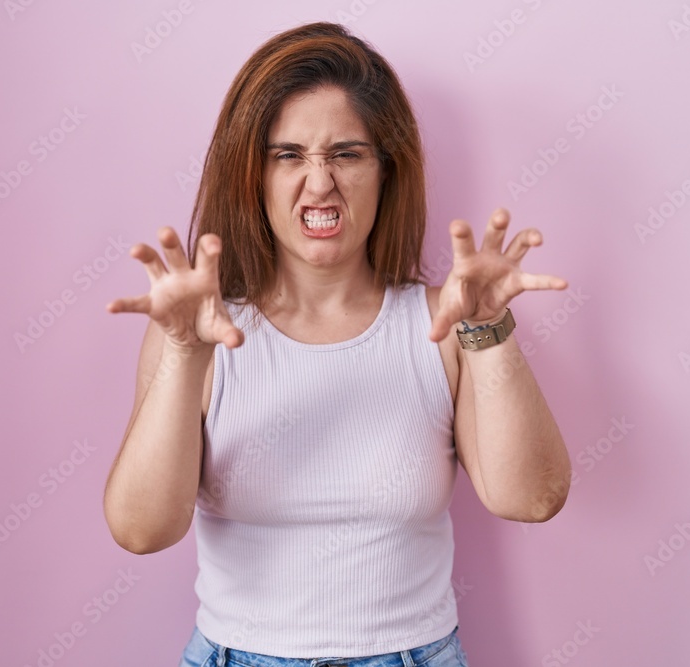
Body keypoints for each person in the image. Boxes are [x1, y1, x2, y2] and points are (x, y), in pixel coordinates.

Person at [102, 21, 572, 667]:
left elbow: (532, 497)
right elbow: (140, 528)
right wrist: (184, 352)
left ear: (385, 170)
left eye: (346, 153)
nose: (319, 182)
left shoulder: (446, 325)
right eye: (288, 154)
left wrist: (490, 330)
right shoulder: (198, 331)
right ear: (253, 175)